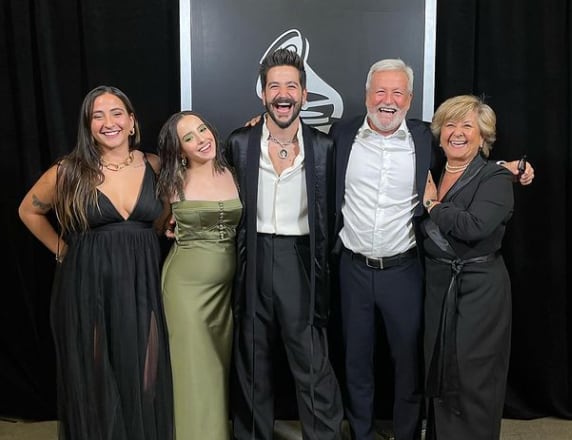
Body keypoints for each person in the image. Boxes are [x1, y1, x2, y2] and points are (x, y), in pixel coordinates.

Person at [328, 59, 534, 440]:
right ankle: (361, 433)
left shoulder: (425, 138)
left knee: (409, 365)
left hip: (404, 270)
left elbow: (467, 160)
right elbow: (297, 142)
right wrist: (259, 125)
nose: (388, 100)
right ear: (367, 95)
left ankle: (407, 434)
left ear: (409, 99)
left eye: (397, 93)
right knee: (355, 362)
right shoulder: (342, 134)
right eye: (380, 91)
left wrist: (506, 167)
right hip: (352, 269)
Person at [18, 85, 173, 440]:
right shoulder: (69, 171)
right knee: (97, 379)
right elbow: (28, 210)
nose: (108, 122)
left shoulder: (154, 165)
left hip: (142, 283)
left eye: (116, 113)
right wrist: (61, 250)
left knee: (145, 377)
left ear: (131, 121)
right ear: (88, 126)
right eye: (97, 116)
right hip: (87, 284)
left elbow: (163, 216)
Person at [225, 48, 344, 440]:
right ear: (263, 94)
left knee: (311, 360)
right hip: (253, 256)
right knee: (252, 359)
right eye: (274, 86)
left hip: (300, 258)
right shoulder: (239, 143)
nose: (283, 94)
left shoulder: (323, 148)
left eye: (291, 86)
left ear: (304, 95)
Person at [421, 95, 515, 440]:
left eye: (467, 126)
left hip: (479, 290)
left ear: (483, 136)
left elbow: (474, 226)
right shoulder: (432, 169)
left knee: (472, 375)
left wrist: (433, 206)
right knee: (439, 369)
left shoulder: (495, 178)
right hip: (438, 286)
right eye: (450, 125)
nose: (457, 133)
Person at [156, 110, 242, 440]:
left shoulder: (234, 171)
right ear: (180, 150)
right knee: (194, 371)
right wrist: (169, 226)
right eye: (188, 138)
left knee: (217, 368)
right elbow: (158, 223)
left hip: (224, 294)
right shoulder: (172, 183)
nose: (201, 139)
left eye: (202, 130)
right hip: (185, 290)